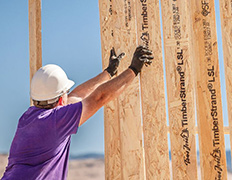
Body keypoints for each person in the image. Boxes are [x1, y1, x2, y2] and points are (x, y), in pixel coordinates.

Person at [1, 45, 153, 180]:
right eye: (65, 92)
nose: (68, 94)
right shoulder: (55, 122)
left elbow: (75, 97)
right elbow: (98, 98)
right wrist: (133, 70)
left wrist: (108, 73)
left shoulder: (28, 117)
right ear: (60, 100)